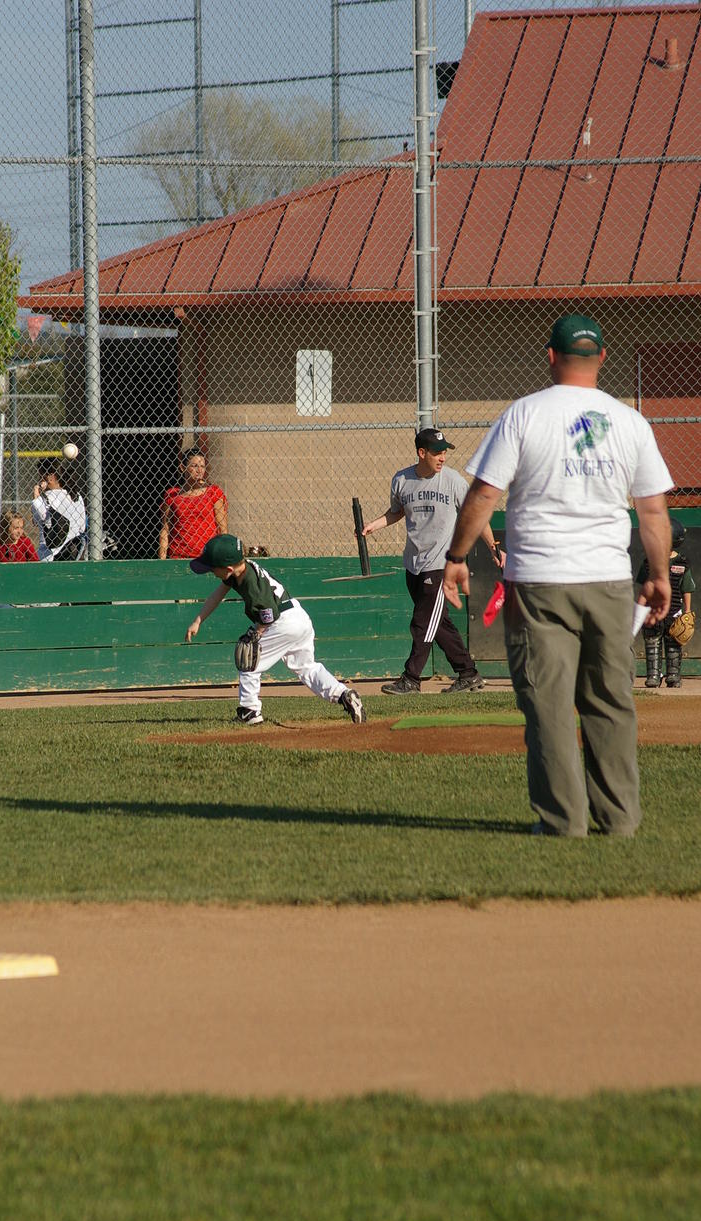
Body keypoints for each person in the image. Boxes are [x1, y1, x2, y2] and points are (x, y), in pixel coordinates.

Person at [442, 313, 673, 838]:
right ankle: (619, 820)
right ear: (603, 357)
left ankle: (562, 821)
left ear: (550, 356)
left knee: (548, 704)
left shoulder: (524, 414)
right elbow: (653, 510)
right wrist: (659, 575)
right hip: (609, 581)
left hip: (540, 582)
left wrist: (457, 556)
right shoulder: (630, 422)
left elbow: (485, 492)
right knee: (610, 700)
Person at [362, 427, 504, 695]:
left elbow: (476, 514)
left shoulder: (453, 481)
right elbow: (396, 512)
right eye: (437, 452)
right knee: (438, 624)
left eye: (444, 452)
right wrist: (374, 525)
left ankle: (411, 679)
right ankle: (468, 673)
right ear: (421, 452)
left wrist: (494, 548)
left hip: (440, 564)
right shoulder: (401, 480)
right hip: (413, 564)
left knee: (422, 622)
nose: (442, 457)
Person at [185, 532, 366, 726]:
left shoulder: (252, 584)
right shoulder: (242, 569)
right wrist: (198, 620)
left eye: (213, 568)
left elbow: (269, 614)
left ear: (229, 569)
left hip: (282, 621)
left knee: (249, 659)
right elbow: (218, 594)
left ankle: (249, 711)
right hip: (298, 617)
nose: (211, 572)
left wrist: (256, 632)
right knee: (306, 667)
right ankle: (344, 695)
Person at [636, 515, 694, 689]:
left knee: (673, 644)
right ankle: (653, 676)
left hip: (674, 612)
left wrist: (687, 612)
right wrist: (640, 610)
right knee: (652, 642)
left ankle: (673, 676)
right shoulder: (649, 563)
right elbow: (644, 589)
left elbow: (687, 589)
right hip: (652, 611)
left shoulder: (682, 564)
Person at [158, 447, 228, 559]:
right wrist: (162, 560)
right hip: (178, 555)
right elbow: (165, 529)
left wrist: (223, 555)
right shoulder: (172, 495)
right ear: (182, 467)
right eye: (194, 466)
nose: (199, 470)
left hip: (207, 555)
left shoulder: (213, 492)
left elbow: (222, 528)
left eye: (202, 466)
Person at [32, 459, 87, 561]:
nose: (39, 480)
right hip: (74, 553)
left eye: (41, 476)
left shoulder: (44, 499)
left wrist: (36, 493)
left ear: (50, 477)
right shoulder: (76, 495)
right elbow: (82, 527)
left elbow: (37, 521)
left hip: (49, 555)